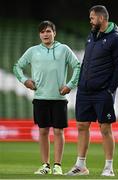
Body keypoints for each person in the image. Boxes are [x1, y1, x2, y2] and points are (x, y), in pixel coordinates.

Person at [66, 5, 118, 177]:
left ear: (101, 18)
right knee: (81, 125)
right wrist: (80, 84)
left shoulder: (117, 39)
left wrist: (110, 89)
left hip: (103, 92)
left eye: (92, 17)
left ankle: (108, 167)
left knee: (105, 128)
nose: (90, 20)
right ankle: (81, 166)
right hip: (85, 90)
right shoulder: (91, 37)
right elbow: (85, 62)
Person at [13, 20, 80, 175]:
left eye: (48, 31)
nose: (45, 34)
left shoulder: (63, 49)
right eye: (42, 32)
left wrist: (70, 85)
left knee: (58, 132)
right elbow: (17, 66)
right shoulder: (32, 51)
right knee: (43, 131)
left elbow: (77, 66)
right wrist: (25, 81)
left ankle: (57, 166)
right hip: (40, 98)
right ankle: (45, 166)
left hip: (59, 98)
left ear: (54, 33)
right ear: (39, 34)